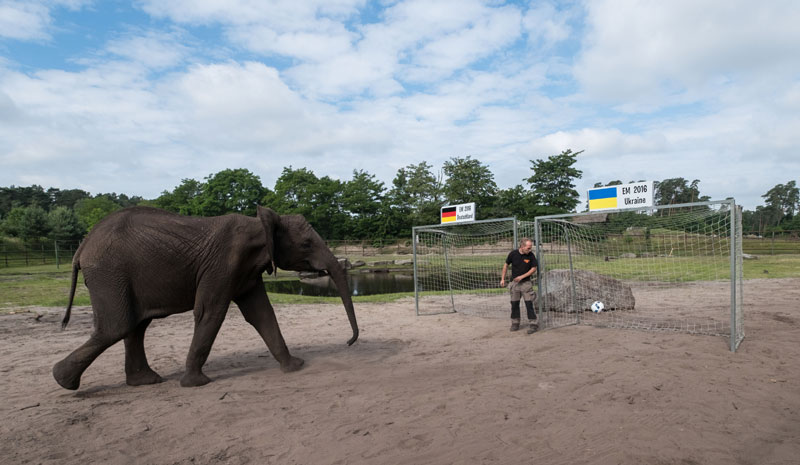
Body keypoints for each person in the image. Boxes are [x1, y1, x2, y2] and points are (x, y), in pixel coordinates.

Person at [500, 238, 538, 334]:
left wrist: (522, 277)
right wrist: (502, 279)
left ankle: (533, 324)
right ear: (522, 246)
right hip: (515, 284)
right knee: (514, 304)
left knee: (529, 304)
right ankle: (515, 323)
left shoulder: (531, 255)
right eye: (528, 248)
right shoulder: (513, 254)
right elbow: (506, 265)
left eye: (530, 248)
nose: (530, 250)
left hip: (526, 284)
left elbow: (533, 268)